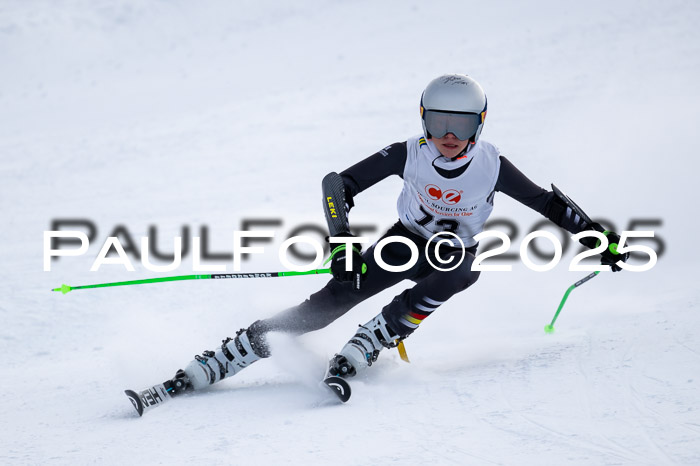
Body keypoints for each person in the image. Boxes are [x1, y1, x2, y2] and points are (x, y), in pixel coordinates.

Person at [156, 74, 629, 399]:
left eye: (461, 124)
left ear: (479, 125)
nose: (449, 134)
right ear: (424, 119)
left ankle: (377, 335)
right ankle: (228, 356)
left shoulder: (491, 165)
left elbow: (546, 202)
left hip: (452, 252)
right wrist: (341, 239)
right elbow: (336, 185)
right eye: (439, 121)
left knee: (462, 271)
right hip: (404, 241)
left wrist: (592, 235)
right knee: (321, 310)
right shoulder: (408, 154)